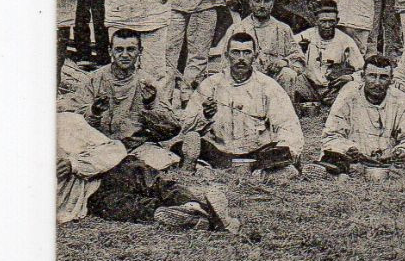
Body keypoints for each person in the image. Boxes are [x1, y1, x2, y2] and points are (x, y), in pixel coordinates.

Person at [56, 112, 239, 232]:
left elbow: (113, 150)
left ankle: (192, 205)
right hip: (88, 198)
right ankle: (196, 219)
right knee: (129, 207)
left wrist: (74, 164)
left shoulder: (66, 122)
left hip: (110, 170)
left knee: (152, 182)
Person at [177, 31, 304, 179]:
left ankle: (255, 174)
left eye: (247, 53)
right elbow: (186, 126)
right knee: (186, 143)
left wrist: (286, 150)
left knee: (284, 160)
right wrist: (205, 115)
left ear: (255, 57)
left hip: (255, 153)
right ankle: (204, 170)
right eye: (236, 53)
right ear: (226, 55)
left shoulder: (268, 86)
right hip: (220, 151)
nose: (241, 59)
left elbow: (288, 125)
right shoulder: (210, 85)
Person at [59, 28, 184, 151]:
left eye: (130, 49)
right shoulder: (94, 79)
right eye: (119, 49)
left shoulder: (147, 83)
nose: (125, 55)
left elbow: (172, 129)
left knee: (158, 159)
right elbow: (72, 120)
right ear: (110, 51)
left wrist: (150, 105)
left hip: (135, 147)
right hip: (97, 144)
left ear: (140, 51)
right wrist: (94, 111)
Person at [318, 54, 405, 178]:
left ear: (391, 79)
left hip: (390, 162)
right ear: (363, 77)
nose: (377, 83)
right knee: (332, 155)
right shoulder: (348, 97)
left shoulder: (401, 100)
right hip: (354, 159)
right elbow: (331, 135)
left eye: (383, 77)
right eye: (372, 76)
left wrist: (403, 151)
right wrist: (348, 148)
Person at [282, 0, 365, 111]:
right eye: (323, 21)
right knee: (288, 76)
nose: (327, 26)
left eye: (331, 21)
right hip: (308, 85)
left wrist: (350, 77)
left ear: (337, 21)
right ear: (316, 21)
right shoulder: (306, 35)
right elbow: (286, 49)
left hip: (332, 89)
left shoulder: (345, 41)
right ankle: (291, 109)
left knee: (353, 88)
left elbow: (363, 70)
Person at [222, 0, 299, 79]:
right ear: (250, 3)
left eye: (266, 1)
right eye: (257, 1)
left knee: (288, 74)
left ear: (272, 3)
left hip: (275, 78)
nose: (262, 5)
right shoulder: (236, 29)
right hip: (247, 78)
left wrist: (284, 62)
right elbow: (225, 61)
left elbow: (297, 56)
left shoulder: (283, 29)